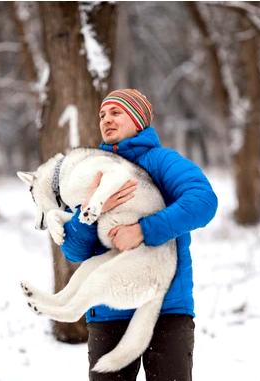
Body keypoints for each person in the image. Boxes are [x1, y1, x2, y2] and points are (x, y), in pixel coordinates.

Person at [60, 88, 218, 381]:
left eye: (116, 112)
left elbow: (203, 202)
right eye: (102, 115)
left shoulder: (162, 162)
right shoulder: (95, 170)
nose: (106, 119)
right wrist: (91, 210)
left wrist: (144, 231)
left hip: (166, 310)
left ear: (138, 120)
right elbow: (73, 251)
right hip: (109, 312)